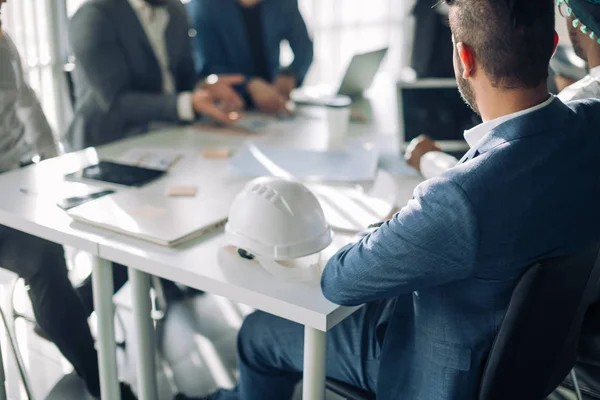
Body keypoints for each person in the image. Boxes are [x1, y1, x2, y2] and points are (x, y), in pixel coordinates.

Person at [189, 0, 600, 399]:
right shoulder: (592, 125)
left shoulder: (457, 201)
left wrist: (402, 221)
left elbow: (340, 280)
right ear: (551, 45)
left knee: (258, 333)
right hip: (530, 366)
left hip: (438, 372)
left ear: (464, 58)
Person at [0, 2, 135, 398]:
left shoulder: (4, 43)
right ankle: (101, 379)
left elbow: (28, 102)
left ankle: (64, 314)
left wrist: (54, 167)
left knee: (119, 226)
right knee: (44, 258)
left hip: (19, 176)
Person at [407, 0, 600, 178]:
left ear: (464, 57)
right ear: (552, 45)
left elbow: (491, 185)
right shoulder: (585, 112)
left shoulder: (573, 110)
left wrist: (429, 161)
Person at [67, 0, 245, 151]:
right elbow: (114, 103)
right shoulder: (94, 16)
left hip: (171, 137)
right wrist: (187, 103)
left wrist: (205, 88)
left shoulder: (174, 10)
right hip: (109, 144)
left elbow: (184, 78)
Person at [185, 0, 313, 114]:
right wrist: (248, 84)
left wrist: (290, 74)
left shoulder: (283, 3)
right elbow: (208, 66)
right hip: (229, 103)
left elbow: (304, 49)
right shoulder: (205, 6)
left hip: (273, 101)